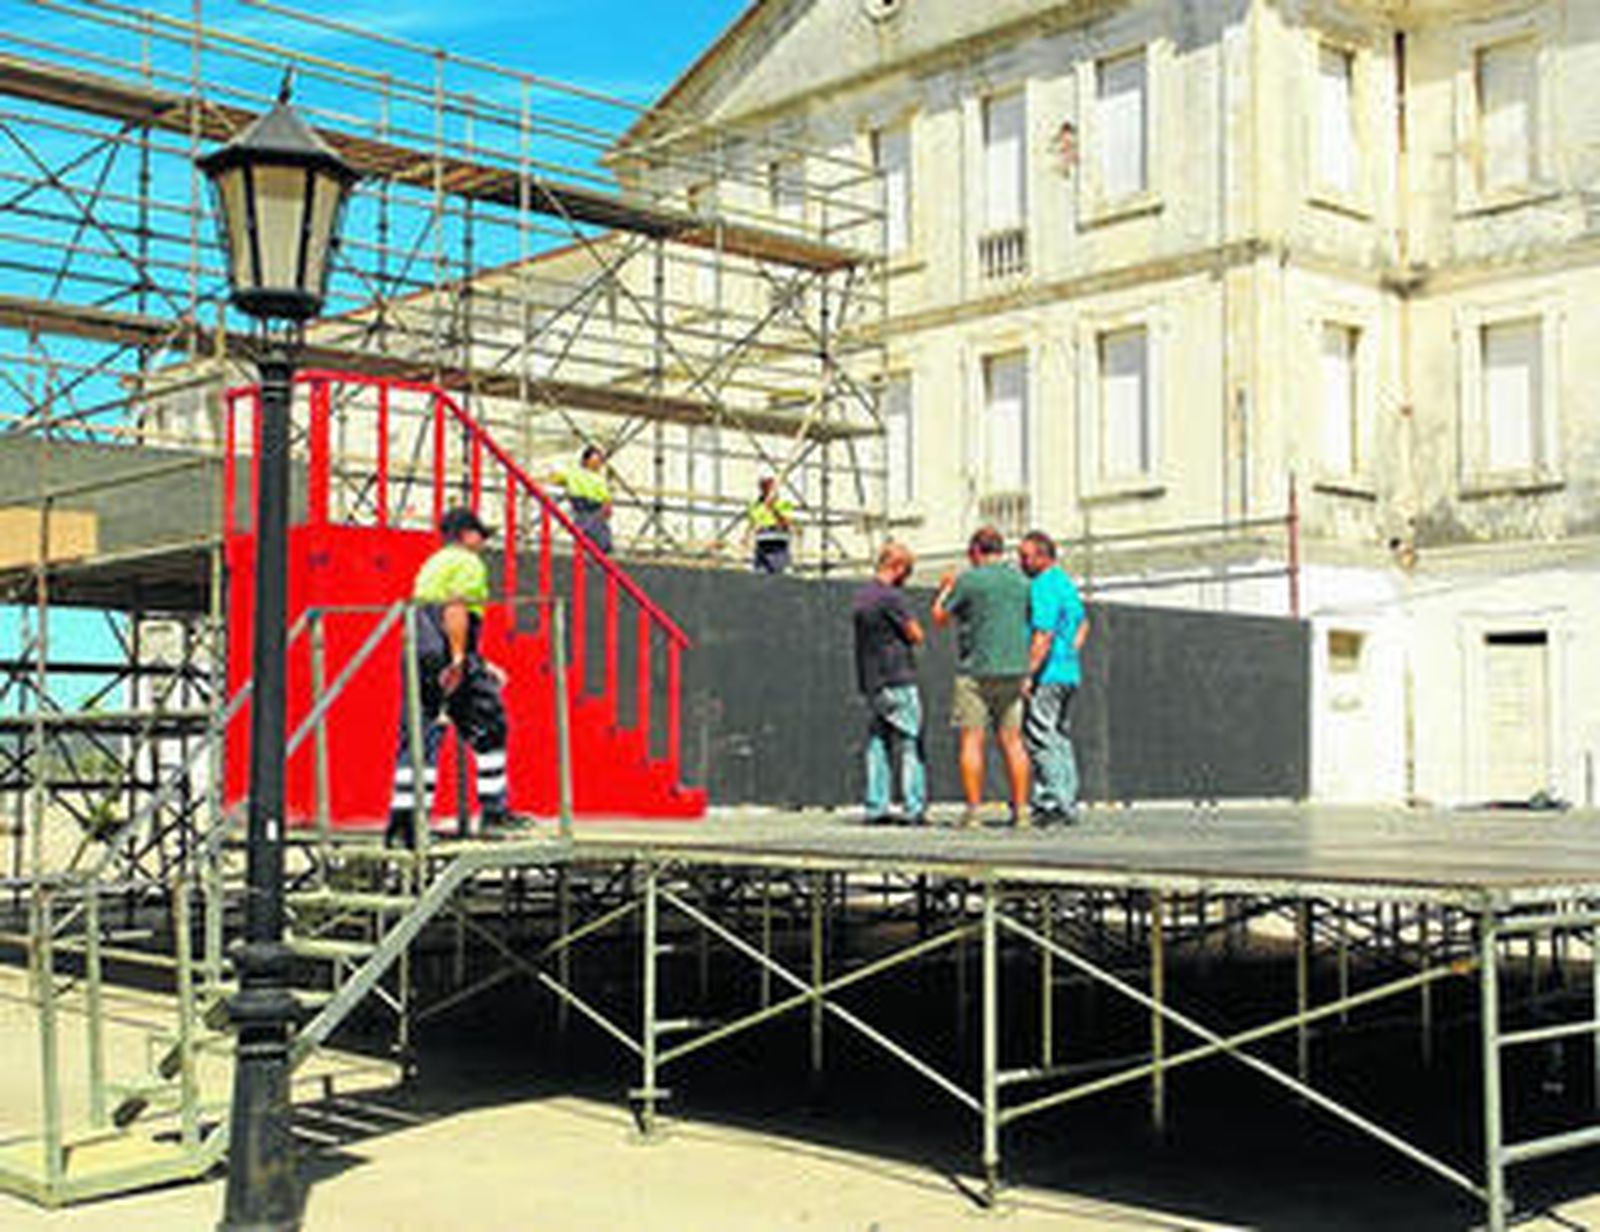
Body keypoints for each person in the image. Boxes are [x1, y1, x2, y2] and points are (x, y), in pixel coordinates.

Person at [385, 507, 512, 847]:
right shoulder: (468, 563)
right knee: (490, 720)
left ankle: (405, 825)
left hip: (418, 646)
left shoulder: (433, 563)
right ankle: (494, 813)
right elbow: (456, 608)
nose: (483, 542)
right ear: (466, 534)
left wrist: (478, 662)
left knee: (420, 731)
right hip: (445, 646)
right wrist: (458, 659)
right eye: (480, 534)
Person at [932, 526, 1032, 828]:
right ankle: (1021, 811)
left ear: (976, 550)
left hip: (975, 671)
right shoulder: (1021, 581)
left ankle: (974, 811)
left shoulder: (969, 580)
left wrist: (946, 588)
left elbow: (939, 617)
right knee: (1013, 742)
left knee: (972, 740)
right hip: (1014, 669)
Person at [851, 542, 927, 825]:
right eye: (906, 571)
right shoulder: (892, 598)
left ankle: (876, 805)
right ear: (897, 567)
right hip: (897, 676)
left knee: (878, 742)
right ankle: (913, 806)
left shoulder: (862, 596)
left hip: (871, 680)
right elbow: (916, 634)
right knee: (910, 742)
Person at [1018, 531, 1090, 825]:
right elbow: (1084, 623)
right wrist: (1070, 652)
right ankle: (1067, 800)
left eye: (1025, 556)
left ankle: (1052, 802)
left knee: (1039, 735)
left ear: (1042, 556)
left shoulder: (1043, 585)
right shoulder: (1065, 583)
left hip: (1047, 673)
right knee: (1058, 736)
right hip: (1068, 672)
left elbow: (1043, 634)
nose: (1020, 561)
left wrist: (1028, 673)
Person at [548, 444, 613, 554]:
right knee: (595, 534)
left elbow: (605, 497)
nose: (598, 464)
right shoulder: (576, 473)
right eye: (595, 460)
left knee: (594, 533)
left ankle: (597, 551)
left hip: (592, 507)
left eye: (599, 461)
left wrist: (607, 506)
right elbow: (556, 478)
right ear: (586, 460)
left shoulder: (597, 478)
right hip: (586, 506)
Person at [747, 476, 796, 574]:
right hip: (762, 546)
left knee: (780, 575)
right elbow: (753, 523)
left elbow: (786, 523)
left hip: (778, 546)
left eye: (769, 484)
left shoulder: (783, 504)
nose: (766, 488)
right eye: (763, 485)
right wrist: (746, 536)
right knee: (760, 576)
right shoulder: (756, 505)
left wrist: (773, 508)